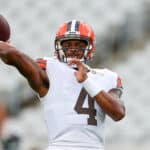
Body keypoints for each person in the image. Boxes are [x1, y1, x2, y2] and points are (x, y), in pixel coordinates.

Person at [0, 20, 125, 150]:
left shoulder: (106, 76)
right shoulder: (50, 69)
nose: (72, 49)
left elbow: (118, 113)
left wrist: (87, 81)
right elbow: (15, 57)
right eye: (67, 45)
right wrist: (6, 48)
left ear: (90, 47)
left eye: (78, 45)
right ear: (59, 47)